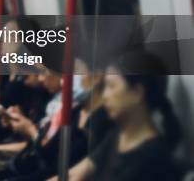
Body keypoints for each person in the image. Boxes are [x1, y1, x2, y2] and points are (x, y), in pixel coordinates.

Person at [51, 52, 180, 181]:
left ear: (137, 92)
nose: (105, 96)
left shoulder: (154, 158)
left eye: (111, 86)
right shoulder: (117, 136)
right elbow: (76, 173)